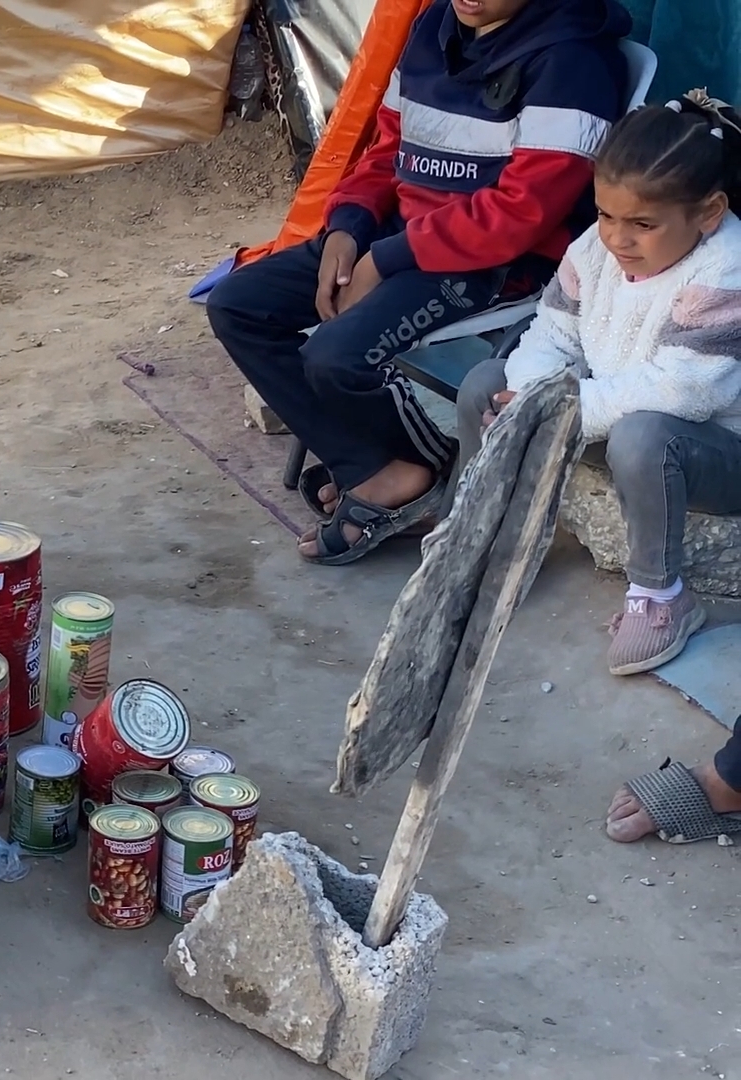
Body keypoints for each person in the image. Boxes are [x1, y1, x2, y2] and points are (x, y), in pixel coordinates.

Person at [207, 0, 631, 565]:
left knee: (335, 356)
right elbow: (387, 150)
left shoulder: (574, 62)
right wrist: (348, 227)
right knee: (238, 303)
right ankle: (378, 466)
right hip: (398, 234)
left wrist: (385, 259)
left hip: (495, 264)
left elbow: (519, 215)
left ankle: (407, 468)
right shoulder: (433, 26)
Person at [450, 92, 741, 843]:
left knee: (644, 436)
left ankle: (662, 593)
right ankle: (491, 532)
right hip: (610, 399)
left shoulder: (724, 268)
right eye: (607, 216)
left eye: (643, 224)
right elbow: (555, 330)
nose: (618, 238)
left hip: (711, 446)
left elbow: (684, 390)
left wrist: (563, 407)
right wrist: (529, 393)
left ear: (708, 214)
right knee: (487, 383)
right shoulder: (596, 249)